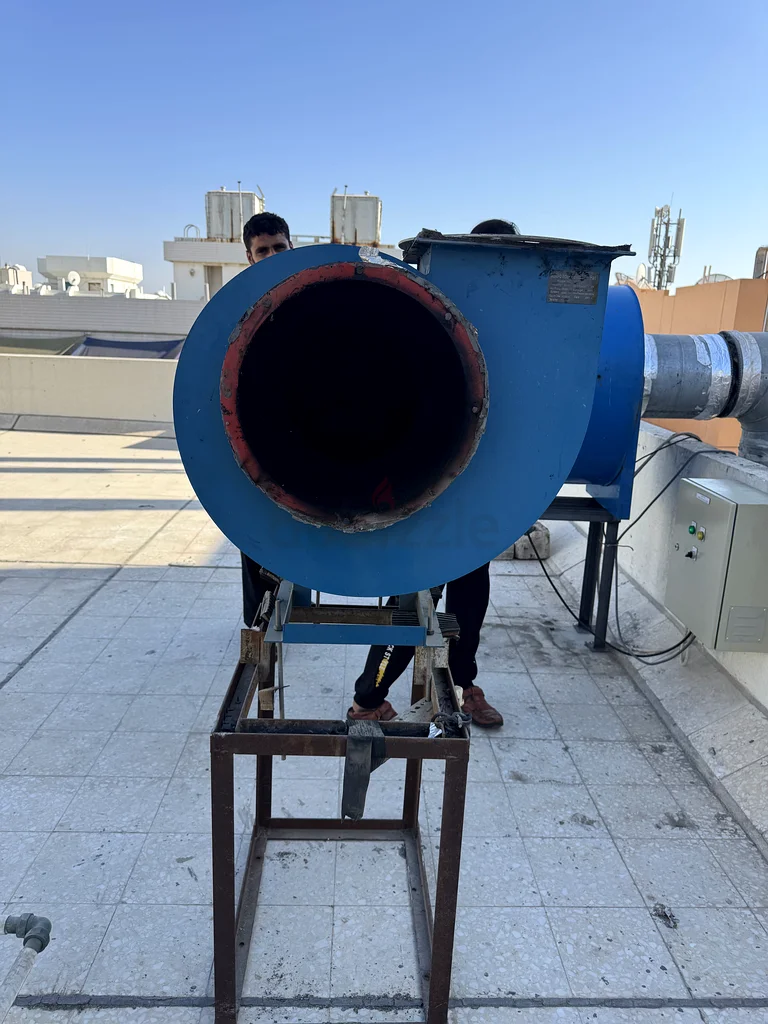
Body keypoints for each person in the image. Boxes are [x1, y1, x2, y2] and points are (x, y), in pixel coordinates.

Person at [348, 218, 523, 728]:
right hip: (423, 498)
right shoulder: (438, 318)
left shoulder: (514, 333)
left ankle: (468, 686)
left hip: (477, 498)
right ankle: (368, 698)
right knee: (408, 607)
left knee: (470, 607)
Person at [239, 213, 294, 629]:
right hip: (260, 432)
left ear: (290, 246)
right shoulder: (239, 306)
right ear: (249, 257)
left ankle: (292, 606)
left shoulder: (311, 294)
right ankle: (260, 618)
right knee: (256, 531)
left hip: (303, 425)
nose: (272, 256)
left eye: (279, 247)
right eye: (263, 251)